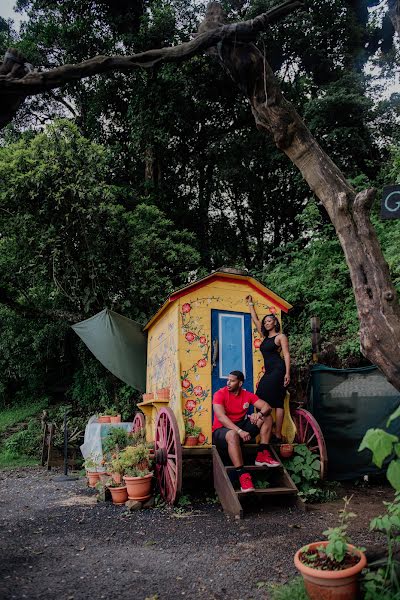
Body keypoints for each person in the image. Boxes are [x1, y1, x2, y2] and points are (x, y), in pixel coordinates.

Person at [212, 370, 280, 493]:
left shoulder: (247, 395)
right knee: (232, 434)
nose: (228, 383)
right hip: (221, 431)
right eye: (228, 380)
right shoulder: (219, 394)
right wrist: (239, 431)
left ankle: (262, 453)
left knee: (267, 417)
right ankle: (242, 475)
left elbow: (267, 407)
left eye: (232, 381)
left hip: (240, 428)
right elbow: (221, 417)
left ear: (240, 383)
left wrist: (258, 414)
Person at [246, 295, 291, 444]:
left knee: (278, 401)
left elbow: (286, 355)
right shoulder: (264, 337)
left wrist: (287, 373)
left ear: (275, 322)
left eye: (269, 321)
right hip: (269, 371)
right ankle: (266, 429)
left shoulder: (280, 337)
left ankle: (277, 434)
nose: (266, 323)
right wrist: (250, 304)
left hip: (278, 370)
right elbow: (255, 320)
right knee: (262, 396)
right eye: (265, 322)